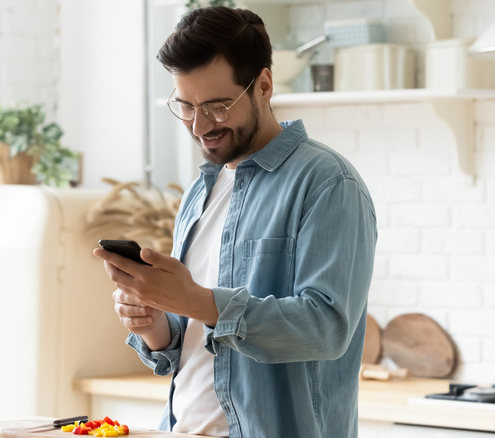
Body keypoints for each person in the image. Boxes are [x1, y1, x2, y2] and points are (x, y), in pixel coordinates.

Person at [93, 6, 377, 438]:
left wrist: (196, 301)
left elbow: (326, 327)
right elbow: (198, 344)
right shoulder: (200, 191)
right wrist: (154, 325)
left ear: (263, 85)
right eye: (185, 106)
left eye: (217, 106)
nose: (199, 125)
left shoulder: (327, 184)